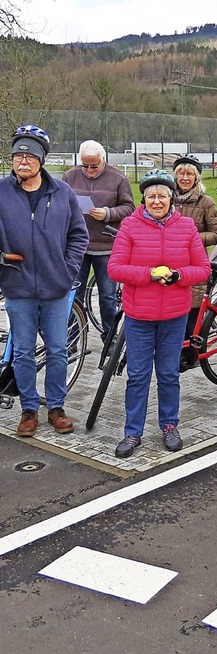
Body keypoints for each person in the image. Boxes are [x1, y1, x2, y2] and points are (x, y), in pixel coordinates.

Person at [108, 169, 210, 459]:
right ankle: (132, 432)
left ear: (171, 199)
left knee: (168, 374)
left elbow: (203, 268)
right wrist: (149, 274)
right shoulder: (130, 225)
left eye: (162, 196)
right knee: (138, 375)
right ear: (144, 199)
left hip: (174, 315)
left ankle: (169, 425)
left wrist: (178, 275)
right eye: (151, 196)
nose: (156, 201)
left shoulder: (187, 227)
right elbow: (114, 268)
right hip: (139, 314)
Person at [0, 124, 88, 437]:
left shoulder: (62, 193)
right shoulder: (1, 191)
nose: (22, 161)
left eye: (29, 156)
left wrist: (68, 270)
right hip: (18, 287)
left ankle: (56, 407)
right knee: (23, 351)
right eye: (17, 156)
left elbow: (79, 235)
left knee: (57, 349)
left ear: (41, 160)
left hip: (56, 288)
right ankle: (28, 410)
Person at [62, 140, 134, 342]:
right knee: (72, 296)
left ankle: (109, 338)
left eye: (94, 166)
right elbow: (59, 204)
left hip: (106, 246)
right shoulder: (69, 176)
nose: (89, 170)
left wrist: (108, 213)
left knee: (108, 297)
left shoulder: (118, 178)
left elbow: (129, 208)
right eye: (85, 165)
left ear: (103, 160)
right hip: (77, 246)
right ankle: (72, 340)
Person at [172, 153, 217, 339]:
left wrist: (191, 238)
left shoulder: (205, 202)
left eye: (190, 174)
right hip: (169, 261)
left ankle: (190, 355)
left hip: (193, 262)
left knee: (191, 315)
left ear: (196, 178)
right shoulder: (166, 199)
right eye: (181, 174)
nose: (185, 178)